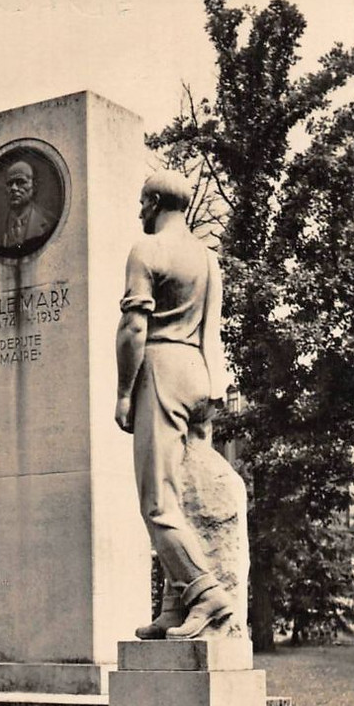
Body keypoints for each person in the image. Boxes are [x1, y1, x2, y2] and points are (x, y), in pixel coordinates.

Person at [115, 169, 232, 640]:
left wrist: (124, 391)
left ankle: (205, 593)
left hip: (161, 367)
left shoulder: (148, 250)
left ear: (159, 201)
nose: (139, 209)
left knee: (157, 500)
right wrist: (214, 391)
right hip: (199, 374)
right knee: (179, 498)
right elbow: (214, 329)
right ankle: (173, 607)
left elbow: (133, 328)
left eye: (143, 201)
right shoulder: (207, 258)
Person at [0, 160, 57, 251]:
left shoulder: (48, 225)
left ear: (34, 185)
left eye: (20, 182)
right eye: (10, 183)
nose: (13, 188)